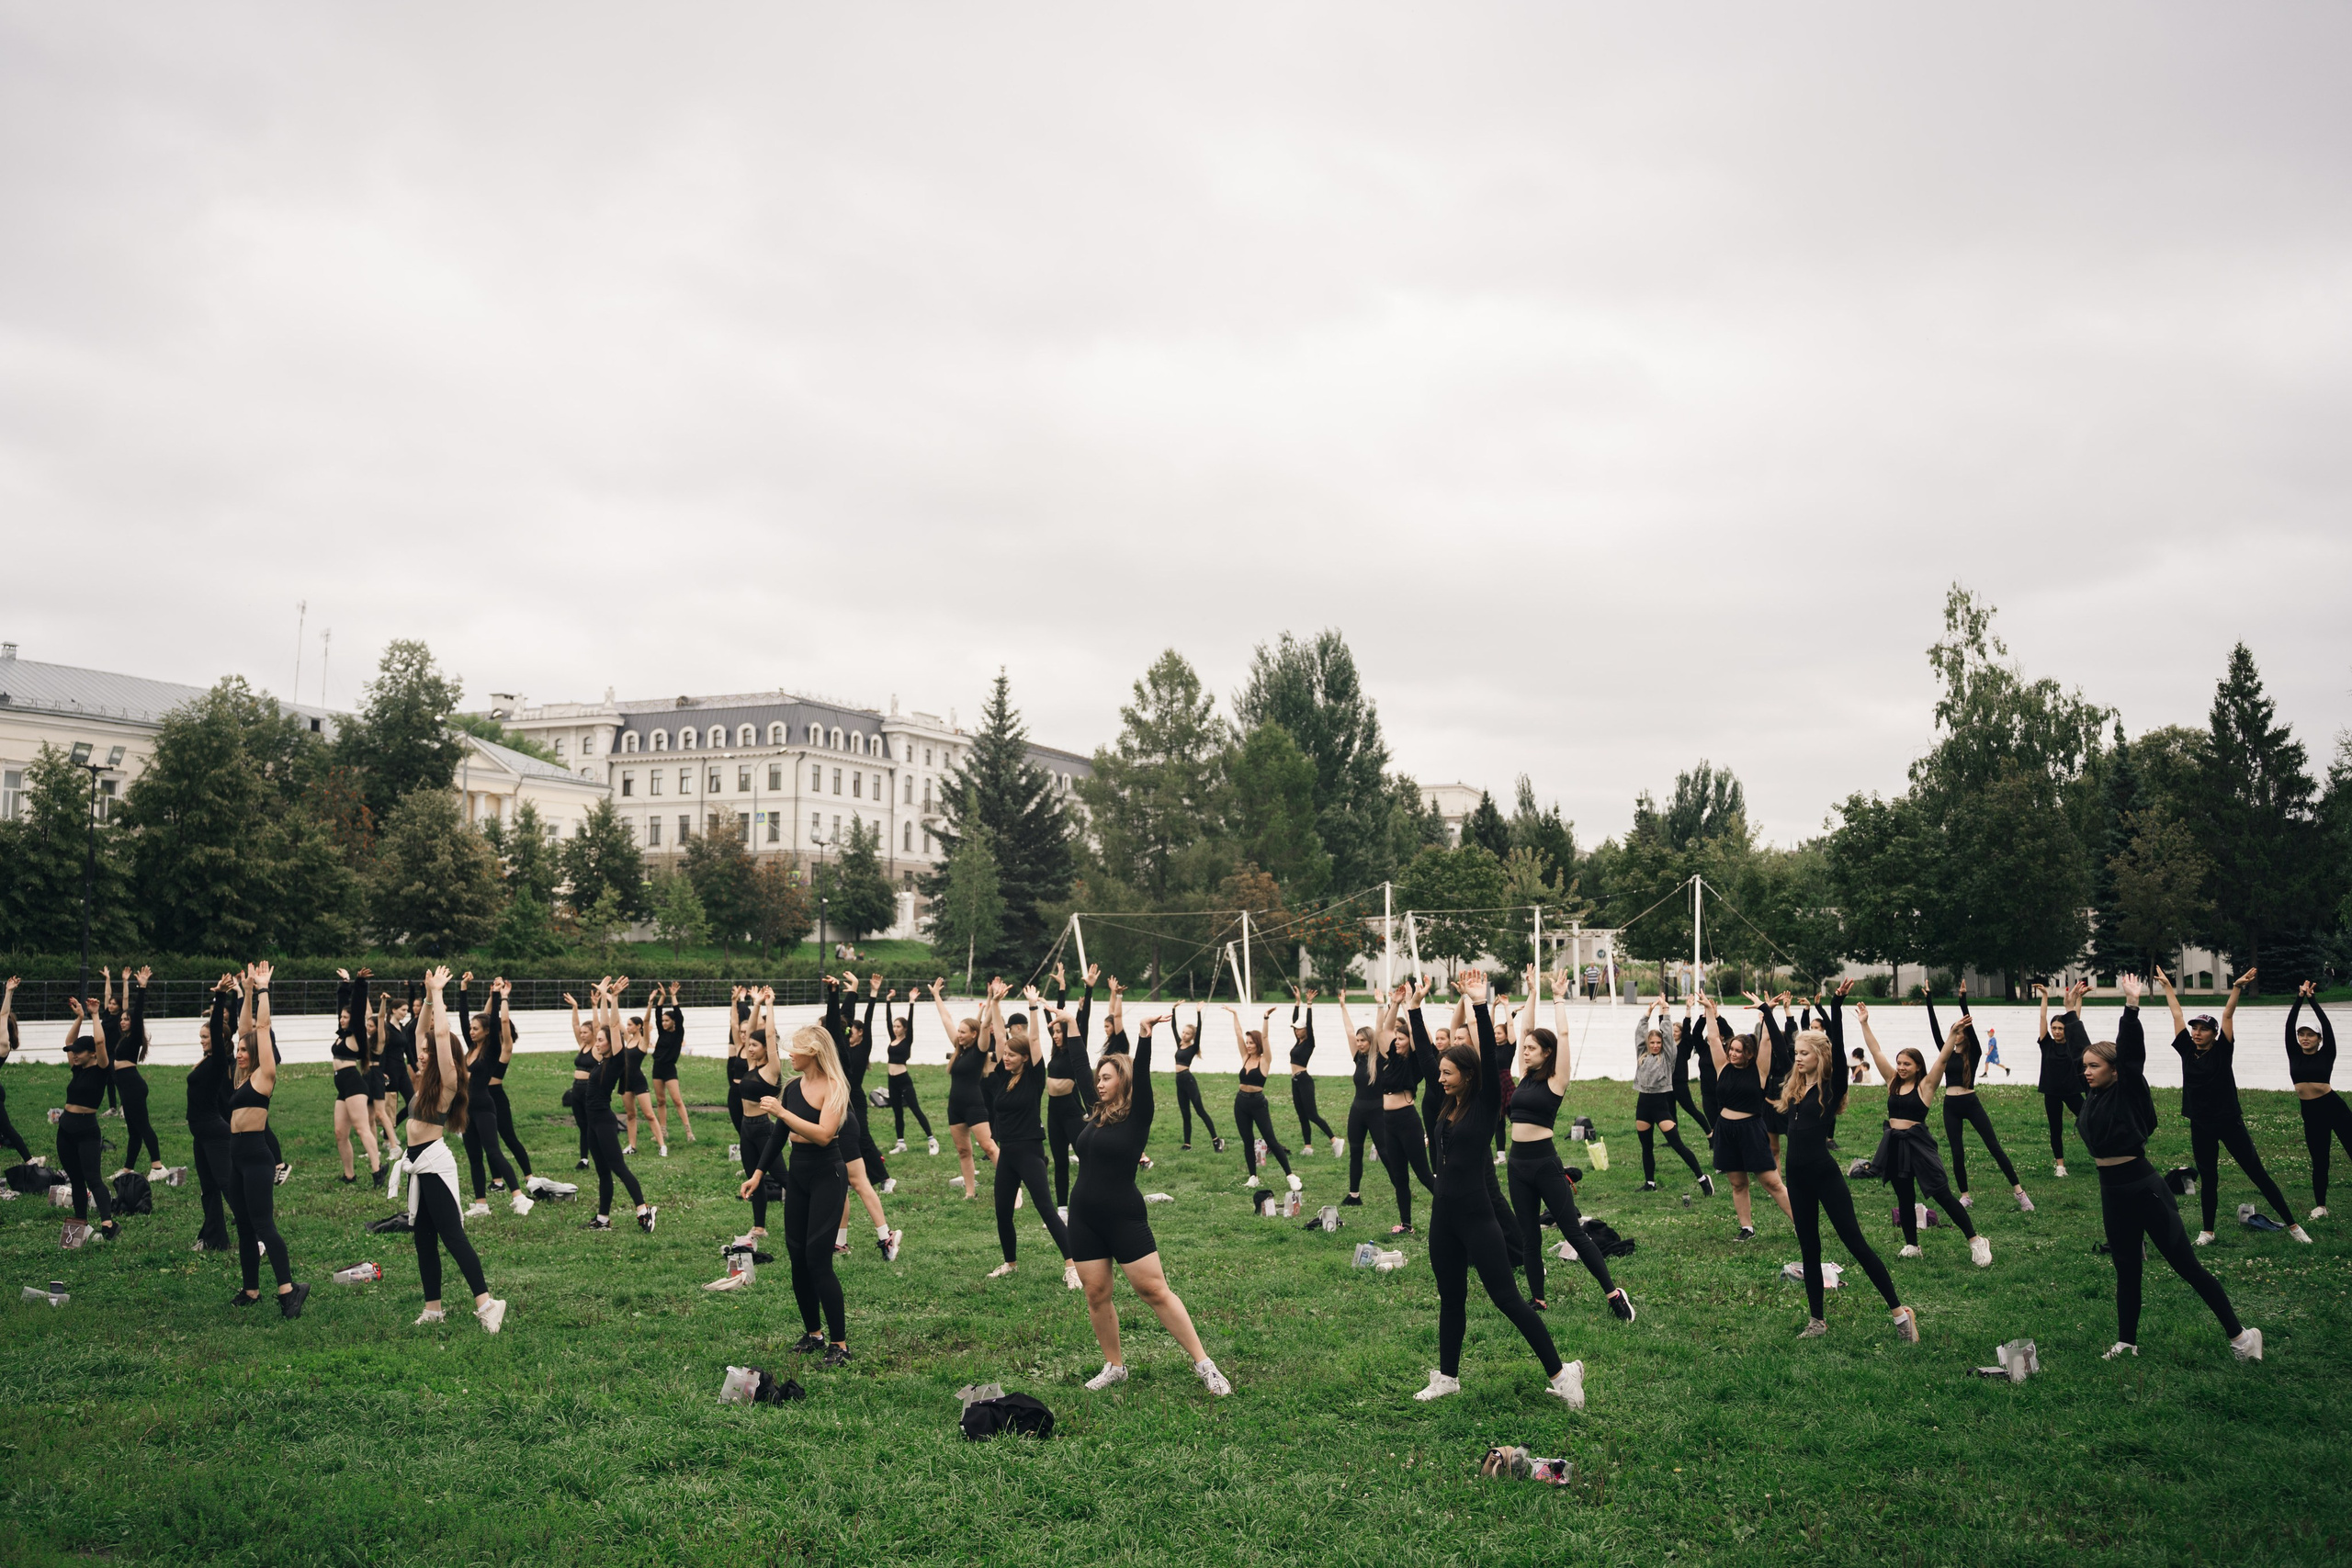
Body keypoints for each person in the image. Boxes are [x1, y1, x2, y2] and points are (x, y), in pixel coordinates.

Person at [1414, 969, 1584, 1407]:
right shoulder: (1448, 1105)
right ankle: (1447, 1378)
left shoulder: (1486, 1103)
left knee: (1508, 1299)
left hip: (1476, 1219)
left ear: (1469, 1075)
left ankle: (1564, 1376)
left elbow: (1489, 1054)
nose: (1441, 1079)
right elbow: (1426, 1057)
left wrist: (1479, 1003)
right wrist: (1414, 1010)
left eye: (1449, 1073)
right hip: (1443, 1219)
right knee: (1451, 1299)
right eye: (1440, 1073)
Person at [2070, 975, 2261, 1361]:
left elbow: (2130, 1054)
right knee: (2126, 1268)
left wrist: (2131, 1007)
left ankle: (2243, 1337)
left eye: (2094, 1066)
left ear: (2115, 1069)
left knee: (2186, 1266)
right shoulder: (2094, 1094)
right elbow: (2078, 1050)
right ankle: (2127, 1342)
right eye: (2085, 1067)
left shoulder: (2127, 1089)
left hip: (2144, 1189)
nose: (2086, 1072)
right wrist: (2072, 1012)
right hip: (2112, 1191)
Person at [1069, 988, 1232, 1396]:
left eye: (1107, 1078)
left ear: (1122, 1081)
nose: (1099, 1083)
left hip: (1122, 1215)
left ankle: (1205, 1364)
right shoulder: (1096, 1112)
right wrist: (1070, 1023)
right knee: (1096, 1293)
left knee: (1154, 1290)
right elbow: (1077, 1064)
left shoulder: (1137, 1116)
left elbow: (1141, 1076)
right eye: (1098, 1079)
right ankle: (1115, 1366)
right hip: (1084, 1216)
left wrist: (1144, 1036)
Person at [1774, 1015, 1915, 1342]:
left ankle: (1900, 1314)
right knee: (1809, 1248)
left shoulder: (1831, 1088)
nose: (1797, 1058)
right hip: (1797, 1178)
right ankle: (1817, 1321)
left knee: (1855, 1243)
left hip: (1824, 1176)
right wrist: (1768, 1013)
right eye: (1797, 1053)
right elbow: (1781, 1054)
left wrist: (1836, 1007)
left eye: (1804, 1053)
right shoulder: (1795, 1087)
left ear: (1820, 1056)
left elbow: (1836, 1051)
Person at [1510, 966, 1635, 1320]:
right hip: (1518, 1166)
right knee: (1529, 1237)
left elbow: (1563, 1033)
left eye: (1532, 1049)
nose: (1525, 1051)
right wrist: (1531, 992)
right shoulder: (1524, 1076)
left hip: (1544, 1164)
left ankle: (1614, 1294)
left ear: (1547, 1053)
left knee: (1574, 1234)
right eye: (1525, 1048)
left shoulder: (1556, 1080)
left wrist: (1558, 998)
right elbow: (1525, 1029)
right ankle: (1538, 1299)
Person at [2161, 967, 2310, 1246]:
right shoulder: (2187, 1050)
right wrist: (2168, 986)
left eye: (2204, 1029)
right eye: (2195, 1028)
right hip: (2200, 1124)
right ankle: (2208, 1232)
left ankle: (2294, 1227)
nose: (2197, 1032)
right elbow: (2176, 1014)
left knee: (2257, 1174)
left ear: (2215, 1034)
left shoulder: (2222, 1051)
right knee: (2209, 1178)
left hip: (2229, 1122)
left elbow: (2228, 1015)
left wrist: (2237, 987)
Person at [741, 1021, 855, 1366]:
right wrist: (758, 1174)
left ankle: (840, 1345)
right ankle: (814, 1335)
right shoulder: (792, 1087)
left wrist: (781, 1112)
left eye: (795, 1048)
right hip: (799, 1174)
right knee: (797, 1258)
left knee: (818, 1260)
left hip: (827, 1174)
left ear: (813, 1052)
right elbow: (779, 1135)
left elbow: (823, 1134)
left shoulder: (834, 1086)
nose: (789, 1054)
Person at [402, 965, 506, 1333]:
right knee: (424, 1239)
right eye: (423, 1051)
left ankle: (488, 1304)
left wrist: (440, 993)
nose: (422, 1054)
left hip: (433, 1163)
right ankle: (433, 1309)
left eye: (428, 1052)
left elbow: (440, 1034)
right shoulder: (425, 1079)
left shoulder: (448, 1080)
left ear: (444, 1055)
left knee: (452, 1236)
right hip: (418, 1164)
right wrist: (428, 999)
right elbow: (421, 1031)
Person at [1854, 1006, 1991, 1267]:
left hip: (1918, 1145)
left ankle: (1976, 1241)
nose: (1901, 1067)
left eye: (1907, 1064)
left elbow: (1942, 1060)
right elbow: (1876, 1051)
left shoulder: (1926, 1085)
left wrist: (1952, 1034)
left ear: (1918, 1067)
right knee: (1904, 1197)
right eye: (1899, 1063)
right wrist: (1864, 1023)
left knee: (1942, 1195)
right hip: (1895, 1144)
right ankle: (1912, 1245)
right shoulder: (1892, 1081)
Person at [980, 981, 1080, 1289]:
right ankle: (1010, 1263)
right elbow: (1000, 1037)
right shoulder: (1003, 1076)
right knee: (1002, 1212)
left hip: (1029, 1151)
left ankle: (1072, 1265)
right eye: (1005, 1054)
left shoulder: (1035, 1077)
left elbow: (1034, 1038)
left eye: (1012, 1055)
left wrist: (1033, 1007)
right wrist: (995, 1004)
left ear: (1025, 1057)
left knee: (1046, 1209)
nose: (1006, 1057)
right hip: (1007, 1153)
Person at [226, 964, 307, 1316]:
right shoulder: (241, 1077)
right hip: (236, 1157)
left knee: (263, 1225)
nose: (239, 1053)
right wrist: (245, 992)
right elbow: (245, 1029)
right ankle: (251, 1290)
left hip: (257, 1156)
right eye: (238, 1050)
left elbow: (260, 1028)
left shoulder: (264, 1075)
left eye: (245, 1051)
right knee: (244, 1227)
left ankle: (289, 1291)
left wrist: (262, 990)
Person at [1926, 983, 2034, 1213]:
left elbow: (1970, 1026)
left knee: (1994, 1146)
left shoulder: (1973, 1052)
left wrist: (1962, 1001)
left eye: (1959, 1032)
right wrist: (1929, 999)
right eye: (1954, 1032)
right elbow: (1934, 1030)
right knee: (1957, 1152)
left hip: (1970, 1103)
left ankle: (2020, 1193)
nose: (1956, 1035)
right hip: (1951, 1105)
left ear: (1965, 1035)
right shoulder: (1946, 1052)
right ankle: (1965, 1196)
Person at [821, 973, 902, 1260]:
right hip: (838, 1119)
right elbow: (842, 1020)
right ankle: (840, 1242)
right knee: (840, 1184)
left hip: (845, 1120)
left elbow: (838, 1022)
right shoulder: (836, 1053)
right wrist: (852, 992)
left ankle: (886, 1236)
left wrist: (835, 995)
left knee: (857, 1181)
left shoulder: (838, 1054)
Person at [1703, 995, 1791, 1239]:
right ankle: (1747, 1228)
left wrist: (1766, 1012)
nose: (1732, 1053)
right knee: (1738, 1183)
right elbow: (1713, 1038)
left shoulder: (1759, 1070)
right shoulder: (1723, 1067)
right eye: (1731, 1049)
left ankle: (1801, 1222)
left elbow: (1767, 1040)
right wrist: (1709, 1010)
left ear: (1749, 1054)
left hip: (1750, 1130)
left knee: (1772, 1182)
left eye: (1738, 1051)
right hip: (1725, 1130)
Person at [580, 979, 656, 1234]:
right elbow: (605, 1024)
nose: (597, 1043)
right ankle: (603, 1219)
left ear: (611, 1044)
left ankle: (644, 1210)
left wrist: (614, 998)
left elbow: (612, 1026)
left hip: (603, 1120)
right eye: (597, 1040)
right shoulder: (603, 1061)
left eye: (601, 1040)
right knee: (603, 1171)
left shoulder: (615, 1060)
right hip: (593, 1122)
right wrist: (603, 996)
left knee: (618, 1167)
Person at [458, 976, 529, 1217]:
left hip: (484, 1107)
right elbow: (463, 1017)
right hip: (467, 1109)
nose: (471, 1031)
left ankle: (519, 1197)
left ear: (487, 1031)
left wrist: (498, 995)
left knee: (493, 1152)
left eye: (476, 1029)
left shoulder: (491, 1051)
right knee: (474, 1157)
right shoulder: (471, 1048)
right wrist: (463, 989)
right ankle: (481, 1204)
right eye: (471, 1029)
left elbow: (498, 1021)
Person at [56, 995, 124, 1242]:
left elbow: (100, 1041)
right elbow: (68, 1041)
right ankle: (80, 1225)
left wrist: (95, 1015)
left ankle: (108, 1223)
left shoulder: (101, 1069)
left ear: (92, 1054)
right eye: (73, 1053)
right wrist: (80, 1017)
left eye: (78, 1052)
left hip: (87, 1131)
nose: (73, 1055)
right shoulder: (77, 1068)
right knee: (75, 1179)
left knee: (93, 1178)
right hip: (65, 1130)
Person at [1374, 981, 1439, 1235]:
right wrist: (1395, 1004)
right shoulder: (1390, 1058)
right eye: (1397, 1039)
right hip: (1388, 1122)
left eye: (1402, 1039)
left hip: (1407, 1121)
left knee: (1423, 1173)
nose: (1397, 1042)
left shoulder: (1414, 1062)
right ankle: (1406, 1224)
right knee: (1399, 1175)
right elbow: (1385, 1030)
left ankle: (1452, 1207)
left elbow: (1418, 1036)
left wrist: (1410, 1007)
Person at [1632, 998, 1711, 1193]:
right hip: (1643, 1105)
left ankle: (1703, 1179)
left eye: (1658, 1043)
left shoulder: (1668, 1057)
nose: (1655, 1045)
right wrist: (1647, 1014)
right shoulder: (1642, 1055)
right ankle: (1650, 1183)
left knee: (1677, 1145)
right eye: (1652, 1042)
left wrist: (1665, 1011)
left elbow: (1667, 1035)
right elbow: (1639, 1033)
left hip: (1660, 1106)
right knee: (1646, 1147)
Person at [185, 976, 238, 1252]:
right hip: (201, 1133)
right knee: (208, 1188)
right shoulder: (206, 1061)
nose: (202, 1041)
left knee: (227, 1185)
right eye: (201, 1037)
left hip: (214, 1132)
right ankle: (215, 1239)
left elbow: (217, 1026)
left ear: (219, 1038)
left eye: (206, 1037)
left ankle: (256, 1233)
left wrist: (220, 997)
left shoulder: (219, 1061)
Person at [934, 980, 1001, 1201]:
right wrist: (936, 995)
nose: (959, 1035)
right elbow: (946, 1019)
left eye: (963, 1032)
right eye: (959, 1031)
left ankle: (1012, 1186)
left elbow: (985, 1025)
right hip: (955, 1108)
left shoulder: (980, 1050)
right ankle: (970, 1192)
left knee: (989, 1147)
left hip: (974, 1105)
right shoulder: (959, 1048)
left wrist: (993, 1000)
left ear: (974, 1034)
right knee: (964, 1151)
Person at [2288, 982, 2348, 1220]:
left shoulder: (2327, 1053)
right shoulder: (2294, 1053)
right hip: (2311, 1112)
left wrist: (2311, 1000)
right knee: (2320, 1160)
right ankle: (2321, 1206)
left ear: (2319, 1039)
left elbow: (2327, 1025)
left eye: (2310, 1035)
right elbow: (2289, 1025)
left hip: (2334, 1108)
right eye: (2301, 1034)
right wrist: (2298, 998)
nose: (2305, 1038)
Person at [1227, 1006, 1300, 1193]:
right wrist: (1235, 1014)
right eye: (1247, 1043)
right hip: (1241, 1102)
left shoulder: (1265, 1060)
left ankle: (1291, 1176)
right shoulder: (1245, 1057)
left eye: (1251, 1043)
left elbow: (1265, 1037)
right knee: (1247, 1140)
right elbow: (1237, 1034)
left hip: (1258, 1103)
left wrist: (1266, 1018)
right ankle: (1253, 1177)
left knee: (1271, 1140)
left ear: (1257, 1044)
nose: (1248, 1045)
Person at [99, 965, 164, 1179]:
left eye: (126, 1019)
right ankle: (127, 1169)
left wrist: (142, 988)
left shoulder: (135, 1037)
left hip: (133, 1087)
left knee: (143, 1127)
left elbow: (138, 1013)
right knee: (134, 1131)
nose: (123, 1021)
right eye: (122, 1019)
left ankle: (158, 1167)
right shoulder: (124, 1039)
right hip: (127, 1088)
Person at [733, 988, 787, 1238]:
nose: (750, 1048)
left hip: (764, 1130)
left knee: (783, 1177)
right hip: (746, 1128)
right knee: (753, 1178)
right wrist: (756, 1004)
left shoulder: (772, 1069)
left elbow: (768, 1034)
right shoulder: (751, 1064)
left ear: (766, 1048)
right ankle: (759, 1227)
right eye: (749, 1045)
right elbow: (751, 1031)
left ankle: (809, 1210)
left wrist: (770, 1005)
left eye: (755, 1045)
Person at [1044, 964, 1098, 1209]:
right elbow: (1057, 1014)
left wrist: (1089, 990)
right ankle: (1063, 1208)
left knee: (1086, 1158)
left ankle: (1089, 1200)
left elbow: (1080, 1021)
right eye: (1053, 1032)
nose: (1056, 1035)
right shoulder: (1055, 1052)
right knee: (1060, 1163)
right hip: (1053, 1113)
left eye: (1059, 1032)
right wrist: (1060, 988)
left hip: (1072, 1113)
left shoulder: (1075, 1051)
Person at [328, 967, 384, 1186]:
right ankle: (349, 1175)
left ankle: (378, 1170)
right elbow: (342, 1005)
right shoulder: (342, 1034)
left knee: (361, 1128)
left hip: (354, 1084)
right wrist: (345, 983)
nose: (341, 1019)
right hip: (342, 1086)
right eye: (341, 1017)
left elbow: (358, 1008)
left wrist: (360, 983)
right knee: (340, 1133)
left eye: (345, 1017)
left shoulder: (356, 1034)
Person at [1332, 988, 1385, 1208]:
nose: (1359, 1043)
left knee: (1386, 1153)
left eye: (1363, 1040)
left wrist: (1381, 1005)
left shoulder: (1381, 1058)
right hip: (1357, 1111)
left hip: (1377, 1112)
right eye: (1358, 1040)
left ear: (1371, 1041)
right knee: (1355, 1153)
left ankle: (1401, 1187)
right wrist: (1343, 1006)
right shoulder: (1358, 1058)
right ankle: (1354, 1195)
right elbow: (1348, 1030)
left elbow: (1381, 1029)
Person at [2034, 981, 2086, 1177]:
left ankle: (2102, 1154)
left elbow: (2076, 1019)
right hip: (2052, 1092)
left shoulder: (2072, 1043)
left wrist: (2079, 999)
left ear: (2066, 1030)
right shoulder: (2046, 1043)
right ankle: (2060, 1166)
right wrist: (2045, 996)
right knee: (2055, 1129)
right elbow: (2042, 1017)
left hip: (2072, 1091)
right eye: (2054, 1028)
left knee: (2088, 1120)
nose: (2056, 1031)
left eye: (2060, 1028)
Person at [880, 989, 937, 1156]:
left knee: (915, 1109)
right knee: (897, 1112)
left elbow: (911, 1021)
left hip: (903, 1080)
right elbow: (887, 1019)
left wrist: (912, 1002)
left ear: (905, 1028)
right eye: (894, 1026)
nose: (895, 1029)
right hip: (891, 1080)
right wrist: (888, 1000)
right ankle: (901, 1143)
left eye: (898, 1026)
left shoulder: (907, 1040)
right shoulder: (893, 1039)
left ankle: (932, 1140)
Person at [1287, 987, 1340, 1157]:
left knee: (1312, 1115)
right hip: (1295, 1081)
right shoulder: (1298, 1041)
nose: (1296, 1030)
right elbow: (1295, 1020)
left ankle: (1335, 1141)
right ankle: (1308, 1147)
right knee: (1302, 1116)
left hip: (1304, 1080)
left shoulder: (1309, 1043)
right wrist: (1297, 1002)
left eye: (1299, 1029)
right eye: (1295, 1029)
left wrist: (1309, 1004)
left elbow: (1309, 1024)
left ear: (1305, 1030)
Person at [649, 982, 695, 1153]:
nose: (664, 1022)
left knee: (676, 1100)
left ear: (673, 1022)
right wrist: (662, 997)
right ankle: (663, 1131)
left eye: (667, 1020)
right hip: (657, 1068)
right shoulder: (662, 1032)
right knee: (660, 1100)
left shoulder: (678, 1033)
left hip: (669, 1069)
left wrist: (673, 996)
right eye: (663, 1021)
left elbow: (679, 1016)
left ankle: (688, 1132)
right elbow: (657, 1012)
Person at [1170, 1011, 1224, 1152]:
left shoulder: (1193, 1047)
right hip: (1179, 1081)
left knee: (1200, 1111)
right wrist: (1174, 1010)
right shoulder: (1180, 1044)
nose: (1184, 1035)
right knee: (1185, 1114)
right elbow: (1173, 1027)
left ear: (1192, 1036)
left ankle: (1217, 1141)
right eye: (1183, 1032)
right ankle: (1187, 1144)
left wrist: (1199, 1012)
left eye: (1187, 1033)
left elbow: (1199, 1029)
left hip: (1188, 1080)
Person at [0, 977, 29, 1167]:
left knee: (8, 1130)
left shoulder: (3, 1046)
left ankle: (30, 1162)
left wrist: (9, 992)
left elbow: (3, 1015)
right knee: (6, 1130)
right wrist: (8, 992)